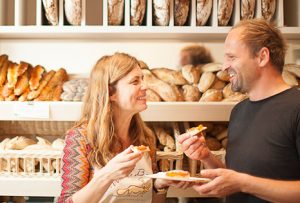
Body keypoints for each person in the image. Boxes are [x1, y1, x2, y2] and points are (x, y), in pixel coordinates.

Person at [178, 19, 300, 203]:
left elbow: (243, 182)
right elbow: (239, 178)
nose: (224, 66)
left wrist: (243, 183)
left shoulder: (296, 108)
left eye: (231, 57)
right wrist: (206, 156)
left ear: (262, 57)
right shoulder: (239, 111)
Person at [59, 52, 190, 203]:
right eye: (135, 81)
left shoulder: (146, 138)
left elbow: (151, 200)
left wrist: (160, 185)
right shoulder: (80, 139)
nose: (145, 86)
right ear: (111, 92)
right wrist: (107, 174)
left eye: (143, 79)